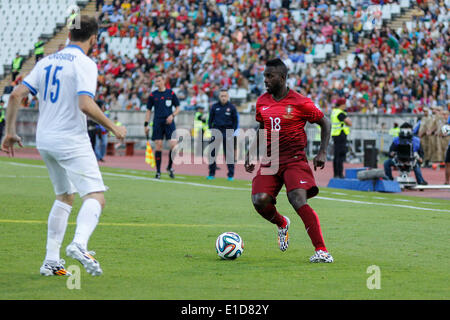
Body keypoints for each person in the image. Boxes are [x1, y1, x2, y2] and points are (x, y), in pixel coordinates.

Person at [1, 15, 127, 276]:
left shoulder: (46, 61)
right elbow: (84, 103)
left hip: (45, 140)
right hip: (70, 139)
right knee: (96, 197)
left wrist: (9, 132)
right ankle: (80, 244)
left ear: (69, 35)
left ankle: (50, 260)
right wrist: (113, 126)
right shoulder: (85, 63)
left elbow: (15, 95)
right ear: (94, 38)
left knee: (65, 196)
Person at [244, 58, 334, 263]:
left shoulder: (300, 102)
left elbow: (325, 122)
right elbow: (263, 128)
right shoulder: (262, 102)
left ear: (282, 78)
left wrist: (322, 152)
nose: (265, 80)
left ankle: (321, 250)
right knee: (259, 201)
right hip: (270, 160)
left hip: (294, 160)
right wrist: (250, 152)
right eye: (264, 75)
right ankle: (282, 223)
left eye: (270, 76)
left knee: (297, 199)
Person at [144, 74, 180, 179]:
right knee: (158, 145)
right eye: (156, 81)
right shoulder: (153, 95)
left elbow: (178, 108)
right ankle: (158, 171)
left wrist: (172, 115)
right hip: (158, 122)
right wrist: (146, 124)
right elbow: (148, 110)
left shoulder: (171, 93)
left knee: (174, 145)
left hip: (169, 122)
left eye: (159, 81)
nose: (157, 83)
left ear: (164, 81)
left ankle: (169, 167)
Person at [207, 89, 238, 181]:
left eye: (225, 96)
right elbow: (210, 119)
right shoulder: (214, 107)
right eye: (222, 96)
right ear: (219, 97)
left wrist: (232, 131)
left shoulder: (232, 107)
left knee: (229, 154)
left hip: (227, 132)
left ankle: (230, 175)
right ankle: (211, 174)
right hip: (216, 131)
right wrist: (211, 129)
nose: (223, 97)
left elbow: (235, 121)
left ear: (228, 97)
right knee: (212, 153)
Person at [331, 97, 352, 178]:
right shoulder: (340, 113)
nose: (345, 106)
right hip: (340, 135)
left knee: (336, 155)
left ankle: (336, 174)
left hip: (336, 135)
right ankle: (339, 174)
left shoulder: (334, 112)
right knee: (340, 155)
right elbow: (349, 123)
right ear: (342, 105)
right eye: (344, 104)